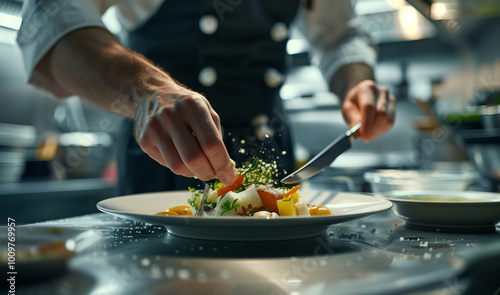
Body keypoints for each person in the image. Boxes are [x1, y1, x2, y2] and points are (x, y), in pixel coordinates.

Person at [17, 0, 396, 194]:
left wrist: (357, 84)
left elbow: (340, 35)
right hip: (161, 166)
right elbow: (50, 16)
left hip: (272, 154)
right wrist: (146, 91)